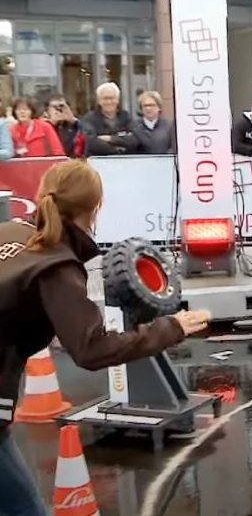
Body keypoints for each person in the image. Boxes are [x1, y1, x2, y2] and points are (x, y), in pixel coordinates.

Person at [0, 160, 210, 516]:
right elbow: (90, 348)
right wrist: (169, 328)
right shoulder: (55, 266)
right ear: (95, 209)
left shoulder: (8, 232)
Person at [81, 82, 138, 156]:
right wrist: (117, 149)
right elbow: (92, 143)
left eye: (112, 98)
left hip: (124, 162)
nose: (109, 102)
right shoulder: (89, 119)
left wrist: (110, 138)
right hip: (99, 163)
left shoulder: (126, 117)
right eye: (105, 98)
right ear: (99, 101)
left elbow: (134, 140)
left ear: (117, 100)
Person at [132, 90, 176, 155]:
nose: (148, 108)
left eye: (152, 105)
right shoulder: (135, 127)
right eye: (145, 106)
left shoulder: (169, 126)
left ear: (159, 107)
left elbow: (174, 147)